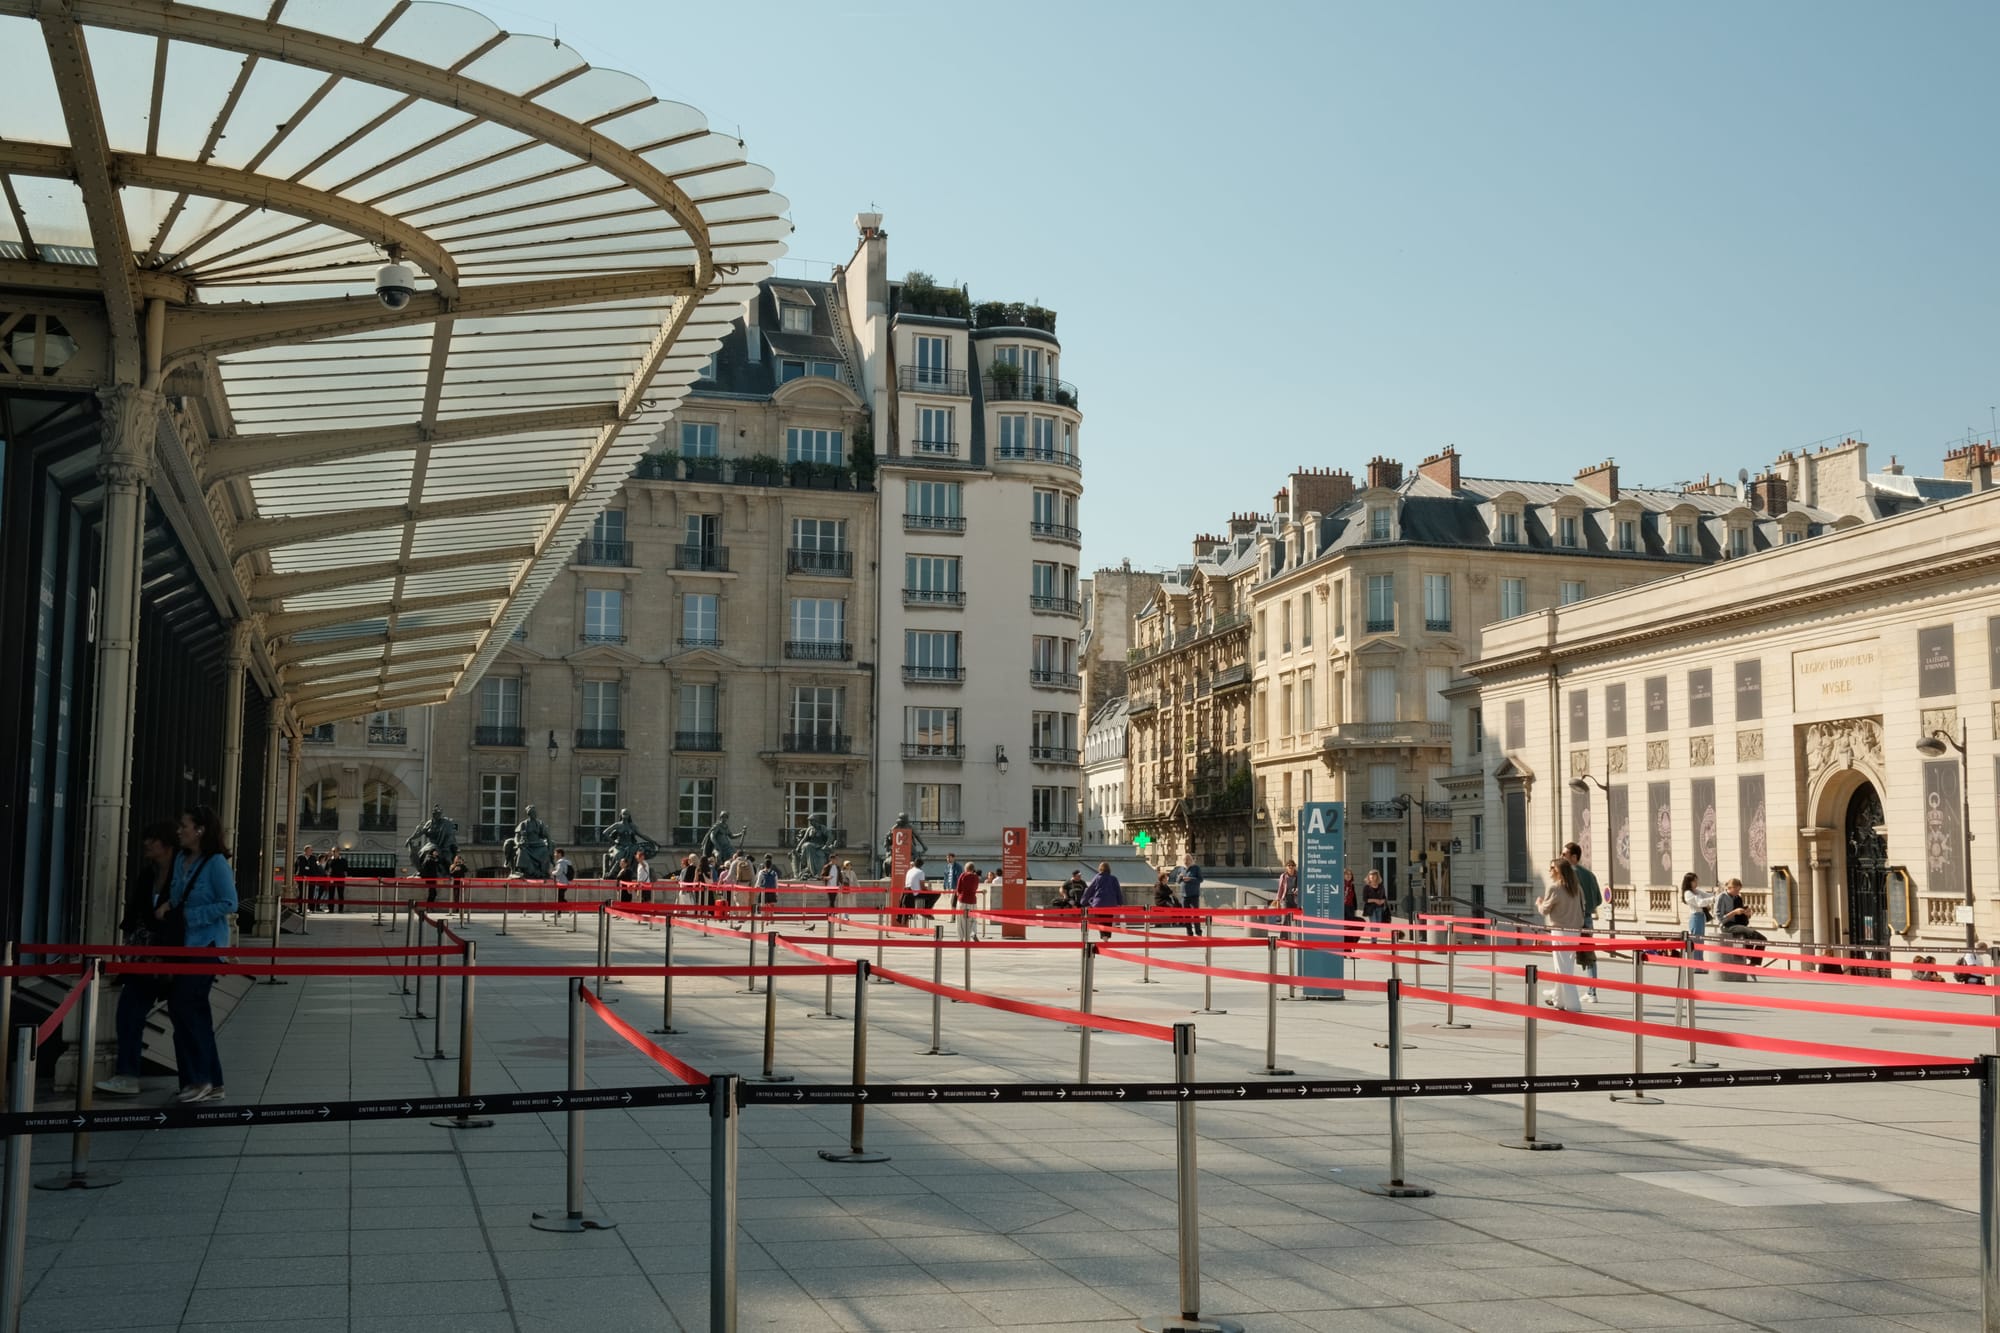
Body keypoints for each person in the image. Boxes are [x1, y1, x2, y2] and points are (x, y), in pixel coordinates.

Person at [97, 821, 178, 1097]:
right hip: (143, 955)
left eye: (152, 839)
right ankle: (127, 1073)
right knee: (129, 1012)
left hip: (171, 954)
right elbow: (134, 912)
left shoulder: (183, 873)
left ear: (165, 844)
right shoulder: (148, 874)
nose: (146, 844)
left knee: (182, 1019)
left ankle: (198, 1079)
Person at [163, 805, 236, 1103]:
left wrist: (193, 916)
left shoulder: (216, 862)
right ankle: (208, 1080)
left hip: (206, 944)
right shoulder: (181, 858)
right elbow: (176, 896)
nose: (180, 830)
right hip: (183, 944)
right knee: (190, 1012)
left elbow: (229, 902)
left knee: (186, 1006)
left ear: (201, 830)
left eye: (185, 825)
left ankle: (199, 1078)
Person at [1536, 856, 1585, 1012]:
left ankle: (1573, 1004)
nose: (1549, 871)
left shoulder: (1555, 888)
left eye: (1552, 868)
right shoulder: (1577, 887)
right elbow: (1583, 906)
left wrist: (1539, 903)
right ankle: (1559, 1000)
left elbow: (1545, 910)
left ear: (1559, 871)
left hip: (1560, 930)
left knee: (1562, 968)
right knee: (1565, 966)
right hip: (1575, 931)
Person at [1563, 842, 1602, 1003]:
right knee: (1589, 955)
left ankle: (1566, 990)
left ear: (1574, 857)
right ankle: (1592, 992)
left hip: (1572, 918)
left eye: (1564, 854)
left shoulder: (1569, 875)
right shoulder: (1589, 875)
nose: (1561, 857)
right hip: (1587, 918)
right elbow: (1599, 899)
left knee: (1566, 954)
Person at [1713, 877, 1768, 963]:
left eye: (1739, 891)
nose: (1737, 893)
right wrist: (1734, 912)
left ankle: (1753, 962)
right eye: (1736, 891)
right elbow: (1719, 918)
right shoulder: (1721, 897)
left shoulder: (1737, 898)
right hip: (1726, 925)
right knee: (1752, 933)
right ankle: (1748, 955)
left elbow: (1742, 918)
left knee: (1762, 939)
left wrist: (1747, 913)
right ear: (1730, 888)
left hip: (1738, 924)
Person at [1681, 871, 1717, 973]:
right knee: (1696, 941)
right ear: (1689, 882)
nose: (1696, 883)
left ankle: (1700, 964)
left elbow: (1707, 895)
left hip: (1701, 917)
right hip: (1695, 917)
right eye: (1694, 881)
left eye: (1696, 881)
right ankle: (1696, 965)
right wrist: (1713, 899)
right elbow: (1700, 902)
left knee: (1701, 941)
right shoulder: (1688, 893)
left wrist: (1716, 893)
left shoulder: (1697, 891)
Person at [1083, 860, 1122, 941]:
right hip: (1111, 904)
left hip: (1099, 903)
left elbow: (1090, 890)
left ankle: (1103, 935)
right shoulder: (1114, 879)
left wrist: (1083, 901)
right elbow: (1118, 891)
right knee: (1108, 920)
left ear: (1100, 869)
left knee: (1100, 920)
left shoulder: (1097, 878)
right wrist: (1120, 902)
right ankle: (1107, 936)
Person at [955, 860, 982, 940]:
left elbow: (958, 889)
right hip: (973, 901)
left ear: (965, 868)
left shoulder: (963, 875)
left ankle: (961, 938)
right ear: (973, 869)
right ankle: (973, 933)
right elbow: (976, 888)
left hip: (962, 900)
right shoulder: (976, 877)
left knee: (960, 920)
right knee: (973, 919)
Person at [1181, 855, 1205, 936]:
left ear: (1191, 860)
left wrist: (1191, 879)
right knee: (1186, 915)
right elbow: (1177, 881)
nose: (1186, 862)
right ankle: (1189, 932)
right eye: (1185, 860)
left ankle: (1198, 931)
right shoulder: (1182, 869)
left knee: (1195, 914)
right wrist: (1180, 877)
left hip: (1194, 894)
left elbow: (1201, 879)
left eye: (1187, 860)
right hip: (1184, 895)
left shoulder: (1196, 868)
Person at [323, 845, 348, 915]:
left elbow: (346, 870)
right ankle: (331, 909)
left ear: (338, 852)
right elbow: (326, 869)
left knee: (341, 894)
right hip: (332, 879)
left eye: (335, 851)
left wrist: (344, 876)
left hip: (340, 878)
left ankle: (341, 909)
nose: (334, 852)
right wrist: (328, 874)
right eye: (333, 851)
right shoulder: (330, 860)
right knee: (331, 894)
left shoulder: (343, 860)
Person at [903, 857, 928, 923]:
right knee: (934, 896)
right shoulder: (921, 872)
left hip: (907, 893)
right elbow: (922, 886)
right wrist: (928, 889)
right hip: (915, 894)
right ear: (921, 865)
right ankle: (926, 911)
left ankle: (925, 910)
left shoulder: (909, 871)